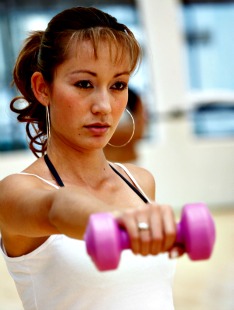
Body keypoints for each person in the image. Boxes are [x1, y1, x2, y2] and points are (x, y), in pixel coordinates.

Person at [0, 7, 183, 310]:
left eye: (118, 85)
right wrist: (121, 221)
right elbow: (58, 208)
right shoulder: (15, 192)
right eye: (84, 84)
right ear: (42, 88)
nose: (104, 106)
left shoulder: (140, 183)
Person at [104, 87, 148, 163]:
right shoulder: (101, 98)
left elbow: (139, 132)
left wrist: (109, 131)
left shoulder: (134, 97)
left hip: (130, 162)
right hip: (106, 162)